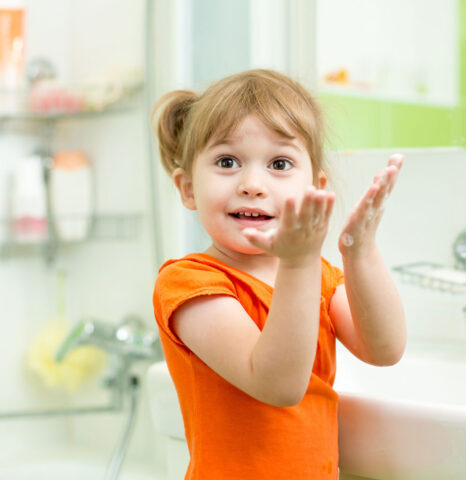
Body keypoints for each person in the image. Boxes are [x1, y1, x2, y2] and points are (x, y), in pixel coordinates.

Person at [151, 69, 406, 479]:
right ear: (188, 189)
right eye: (227, 161)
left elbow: (385, 349)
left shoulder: (318, 275)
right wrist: (299, 262)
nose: (252, 184)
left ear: (314, 186)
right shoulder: (190, 284)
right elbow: (278, 386)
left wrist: (360, 252)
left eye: (280, 163)